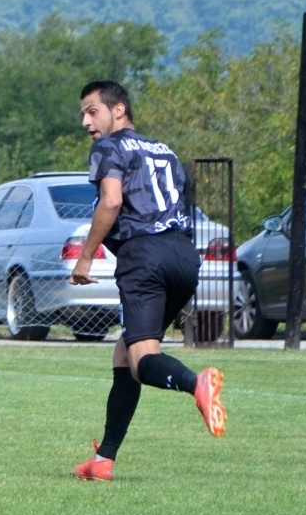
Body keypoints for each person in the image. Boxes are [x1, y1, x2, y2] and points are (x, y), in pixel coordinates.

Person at [70, 79, 226, 482]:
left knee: (142, 361)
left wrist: (86, 256)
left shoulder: (109, 147)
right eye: (84, 114)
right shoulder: (166, 151)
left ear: (118, 109)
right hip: (182, 255)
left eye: (92, 111)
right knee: (125, 353)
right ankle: (104, 459)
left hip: (143, 256)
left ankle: (198, 384)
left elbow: (112, 201)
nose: (87, 122)